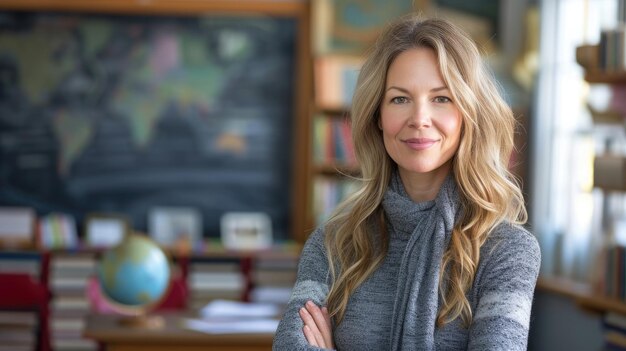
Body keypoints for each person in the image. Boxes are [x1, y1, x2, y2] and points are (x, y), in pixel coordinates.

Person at [273, 15, 540, 351]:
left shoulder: (507, 251)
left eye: (442, 98)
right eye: (400, 99)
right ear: (378, 117)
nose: (419, 119)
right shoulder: (331, 244)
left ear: (469, 115)